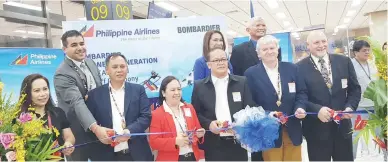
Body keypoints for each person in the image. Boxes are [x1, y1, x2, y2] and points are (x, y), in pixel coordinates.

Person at [296, 30, 361, 161]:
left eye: (324, 41)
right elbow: (299, 96)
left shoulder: (344, 61)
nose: (321, 45)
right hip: (316, 130)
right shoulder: (298, 68)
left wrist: (350, 107)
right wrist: (317, 109)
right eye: (316, 42)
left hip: (342, 128)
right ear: (308, 45)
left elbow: (355, 89)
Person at [244, 35, 307, 161]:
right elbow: (249, 102)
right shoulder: (250, 74)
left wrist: (300, 107)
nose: (269, 51)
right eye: (265, 49)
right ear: (258, 53)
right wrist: (267, 115)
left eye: (272, 48)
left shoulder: (292, 68)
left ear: (277, 50)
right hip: (268, 131)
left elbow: (302, 92)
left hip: (292, 127)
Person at [85, 53, 153, 161]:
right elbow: (89, 123)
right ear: (107, 70)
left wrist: (129, 132)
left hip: (137, 154)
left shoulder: (138, 90)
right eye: (115, 67)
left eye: (122, 66)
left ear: (127, 69)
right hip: (107, 155)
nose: (119, 70)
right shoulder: (95, 95)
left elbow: (146, 117)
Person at [191, 47, 255, 161]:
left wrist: (239, 125)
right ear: (209, 64)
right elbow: (196, 113)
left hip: (238, 141)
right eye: (216, 60)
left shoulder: (241, 82)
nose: (220, 63)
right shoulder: (199, 86)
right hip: (213, 143)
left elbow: (250, 108)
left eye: (223, 59)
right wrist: (208, 124)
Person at [54, 30, 107, 161]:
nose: (80, 48)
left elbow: (99, 90)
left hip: (99, 126)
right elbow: (77, 102)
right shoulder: (62, 73)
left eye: (82, 43)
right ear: (64, 49)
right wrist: (95, 128)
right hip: (76, 133)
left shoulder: (90, 63)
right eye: (74, 45)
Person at [149, 76, 206, 161]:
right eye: (172, 90)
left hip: (193, 157)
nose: (177, 92)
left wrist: (200, 134)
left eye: (179, 89)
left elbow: (197, 130)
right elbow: (154, 142)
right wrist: (175, 141)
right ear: (163, 93)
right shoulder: (156, 114)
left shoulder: (189, 108)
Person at [19, 74, 75, 158]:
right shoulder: (20, 117)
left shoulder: (58, 112)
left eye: (45, 89)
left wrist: (68, 143)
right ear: (27, 93)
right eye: (37, 90)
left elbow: (69, 136)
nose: (43, 94)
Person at [351, 40, 380, 158]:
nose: (367, 52)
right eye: (364, 50)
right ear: (356, 52)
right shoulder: (350, 65)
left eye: (368, 50)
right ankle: (350, 158)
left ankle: (386, 156)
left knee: (380, 133)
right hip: (359, 108)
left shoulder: (372, 64)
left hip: (375, 106)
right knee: (356, 134)